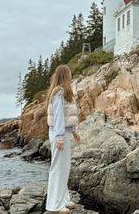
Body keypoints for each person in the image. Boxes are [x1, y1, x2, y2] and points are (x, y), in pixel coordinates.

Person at [45, 64, 81, 214]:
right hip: (59, 134)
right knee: (57, 168)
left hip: (64, 133)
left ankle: (64, 200)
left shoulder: (64, 92)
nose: (71, 76)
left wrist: (73, 131)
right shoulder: (59, 93)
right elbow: (59, 117)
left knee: (64, 168)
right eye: (69, 74)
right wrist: (60, 137)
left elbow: (67, 116)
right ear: (65, 75)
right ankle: (54, 205)